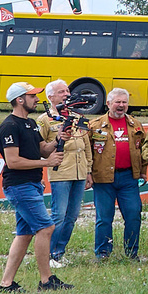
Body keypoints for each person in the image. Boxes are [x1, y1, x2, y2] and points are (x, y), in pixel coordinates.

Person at [0, 80, 65, 291]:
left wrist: (58, 139)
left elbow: (42, 149)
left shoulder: (31, 123)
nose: (36, 99)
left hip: (32, 184)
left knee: (24, 233)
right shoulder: (10, 126)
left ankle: (6, 284)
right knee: (46, 227)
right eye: (32, 96)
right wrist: (47, 163)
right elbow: (13, 162)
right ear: (19, 100)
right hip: (20, 185)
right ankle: (46, 280)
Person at [87, 87, 148, 261]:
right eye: (117, 102)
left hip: (128, 178)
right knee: (104, 217)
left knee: (133, 214)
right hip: (103, 178)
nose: (121, 105)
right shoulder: (95, 125)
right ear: (108, 103)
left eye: (124, 102)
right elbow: (88, 153)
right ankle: (103, 253)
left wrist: (141, 172)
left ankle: (132, 253)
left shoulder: (136, 124)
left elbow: (143, 150)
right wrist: (88, 173)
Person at [38, 79, 95, 265]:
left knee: (72, 216)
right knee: (59, 215)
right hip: (61, 171)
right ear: (50, 96)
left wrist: (88, 170)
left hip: (79, 171)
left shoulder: (77, 116)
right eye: (61, 92)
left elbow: (86, 144)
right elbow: (40, 148)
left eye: (67, 91)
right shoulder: (45, 120)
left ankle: (59, 252)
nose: (66, 94)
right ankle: (50, 254)